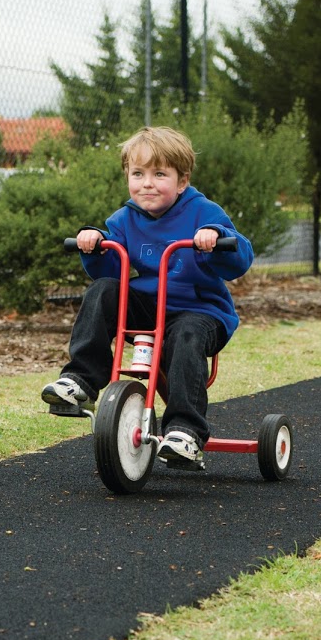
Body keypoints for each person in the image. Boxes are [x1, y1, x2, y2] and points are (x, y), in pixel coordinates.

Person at [41, 125, 254, 468]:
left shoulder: (204, 213)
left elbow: (240, 258)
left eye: (159, 174)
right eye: (138, 174)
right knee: (103, 290)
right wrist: (96, 244)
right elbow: (109, 269)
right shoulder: (125, 219)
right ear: (127, 176)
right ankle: (81, 379)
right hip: (149, 307)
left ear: (182, 181)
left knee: (186, 335)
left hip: (199, 311)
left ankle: (185, 430)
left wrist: (215, 237)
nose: (147, 183)